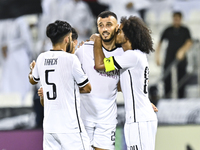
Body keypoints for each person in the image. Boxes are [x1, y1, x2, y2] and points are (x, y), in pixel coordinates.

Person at [93, 16, 158, 150]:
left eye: (119, 31)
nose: (116, 33)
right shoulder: (135, 56)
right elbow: (125, 86)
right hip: (138, 117)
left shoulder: (131, 56)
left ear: (128, 36)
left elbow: (99, 65)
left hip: (138, 119)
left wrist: (98, 41)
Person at [28, 20, 91, 150]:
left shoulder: (41, 58)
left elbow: (33, 80)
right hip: (70, 127)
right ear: (67, 39)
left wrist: (32, 71)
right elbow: (87, 87)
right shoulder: (71, 59)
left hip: (50, 128)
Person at [155, 11, 192, 98]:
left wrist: (182, 50)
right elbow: (159, 43)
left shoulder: (185, 30)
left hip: (181, 58)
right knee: (167, 78)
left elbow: (189, 42)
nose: (176, 21)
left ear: (181, 19)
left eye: (178, 19)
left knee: (181, 78)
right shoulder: (168, 30)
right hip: (169, 56)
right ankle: (167, 98)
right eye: (175, 19)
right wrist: (157, 57)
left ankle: (181, 98)